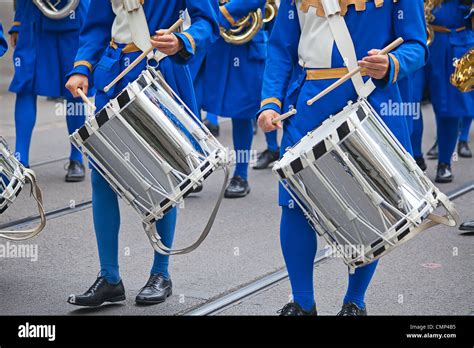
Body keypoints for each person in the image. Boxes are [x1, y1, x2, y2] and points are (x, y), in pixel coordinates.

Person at [258, 0, 427, 315]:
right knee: (295, 203)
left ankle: (355, 302)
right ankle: (303, 303)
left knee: (369, 205)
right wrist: (270, 101)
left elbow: (417, 45)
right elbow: (281, 48)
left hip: (369, 100)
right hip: (308, 106)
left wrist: (392, 62)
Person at [65, 0, 219, 307]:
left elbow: (208, 22)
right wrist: (83, 66)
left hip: (160, 72)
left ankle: (160, 273)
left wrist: (183, 40)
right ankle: (109, 277)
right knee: (103, 175)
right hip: (113, 75)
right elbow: (96, 25)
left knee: (163, 176)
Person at [8, 0, 90, 181]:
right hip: (33, 18)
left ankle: (76, 158)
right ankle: (20, 161)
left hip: (76, 15)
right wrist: (18, 21)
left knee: (76, 86)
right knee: (25, 83)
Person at [199, 0, 269, 198]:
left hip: (244, 42)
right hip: (213, 42)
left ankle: (241, 174)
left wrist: (224, 14)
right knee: (189, 102)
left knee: (243, 112)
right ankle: (193, 168)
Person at [424, 0, 474, 183]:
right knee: (409, 104)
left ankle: (445, 161)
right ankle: (414, 158)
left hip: (456, 45)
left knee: (452, 108)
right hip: (421, 41)